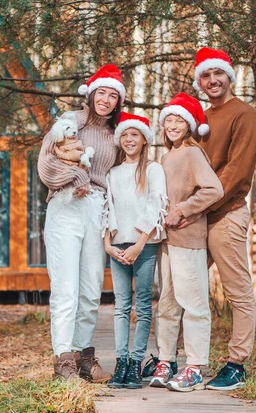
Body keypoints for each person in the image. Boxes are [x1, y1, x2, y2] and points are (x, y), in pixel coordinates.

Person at [38, 63, 125, 382]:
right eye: (101, 92)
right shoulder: (70, 121)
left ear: (118, 102)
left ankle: (83, 355)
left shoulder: (113, 134)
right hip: (65, 205)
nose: (106, 99)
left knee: (90, 289)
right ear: (90, 94)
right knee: (65, 287)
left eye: (113, 95)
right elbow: (45, 163)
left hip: (96, 209)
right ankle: (63, 360)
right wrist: (75, 175)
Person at [183, 47, 256, 390]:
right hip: (198, 215)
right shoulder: (201, 119)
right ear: (199, 81)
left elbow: (236, 171)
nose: (212, 81)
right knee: (186, 288)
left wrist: (198, 207)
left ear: (229, 76)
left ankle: (236, 364)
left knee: (237, 291)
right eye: (205, 76)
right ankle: (185, 361)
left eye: (218, 74)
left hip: (225, 214)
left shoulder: (244, 114)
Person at [150, 92, 223, 392]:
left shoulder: (193, 154)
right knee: (167, 303)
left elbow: (213, 190)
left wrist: (183, 209)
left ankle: (194, 367)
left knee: (193, 304)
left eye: (179, 119)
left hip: (189, 239)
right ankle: (166, 360)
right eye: (169, 119)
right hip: (165, 241)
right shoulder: (167, 156)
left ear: (190, 125)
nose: (173, 124)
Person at [103, 112, 167, 389]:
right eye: (125, 135)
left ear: (144, 140)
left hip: (145, 246)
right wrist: (107, 244)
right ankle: (120, 362)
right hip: (117, 246)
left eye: (135, 135)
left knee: (142, 306)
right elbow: (107, 208)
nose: (129, 139)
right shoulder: (113, 173)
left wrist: (140, 243)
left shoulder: (153, 169)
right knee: (121, 307)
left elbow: (156, 204)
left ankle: (135, 363)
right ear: (120, 141)